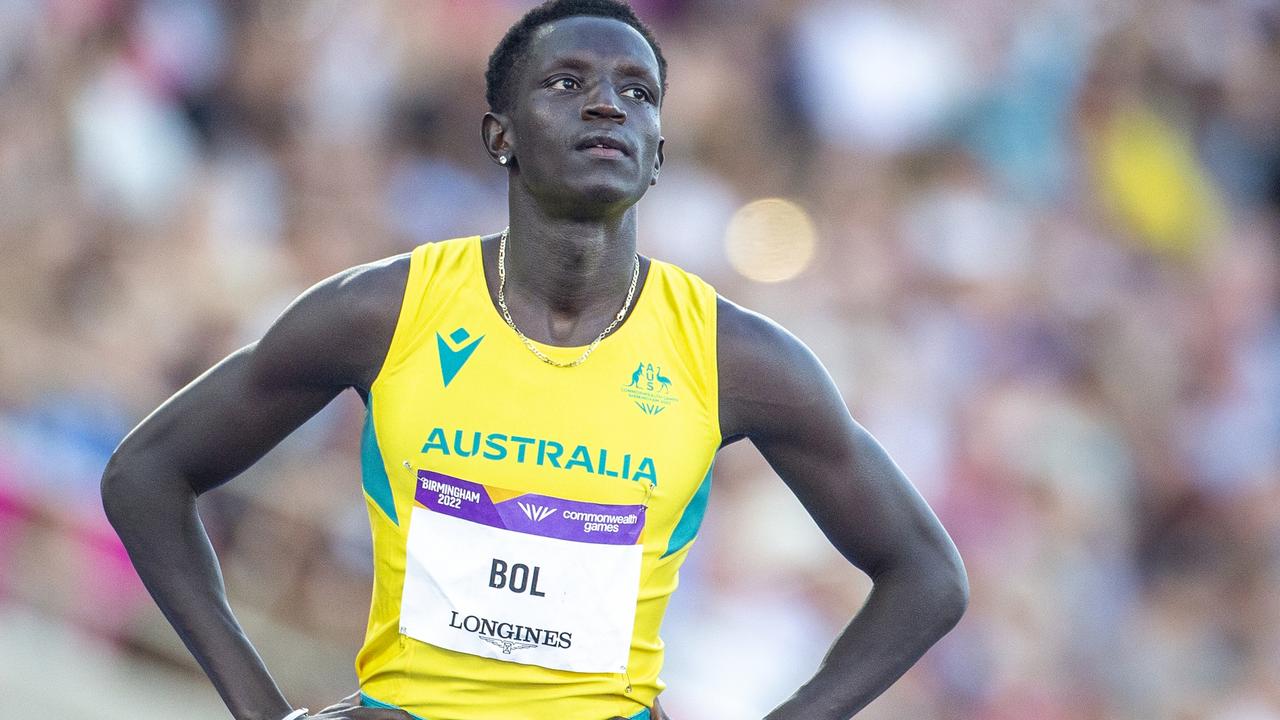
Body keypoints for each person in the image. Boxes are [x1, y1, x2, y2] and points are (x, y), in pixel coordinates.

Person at [100, 1, 968, 718]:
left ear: (659, 153)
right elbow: (146, 474)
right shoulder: (387, 310)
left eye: (638, 93)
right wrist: (259, 707)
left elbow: (926, 574)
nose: (607, 106)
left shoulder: (731, 356)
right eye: (567, 83)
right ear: (500, 135)